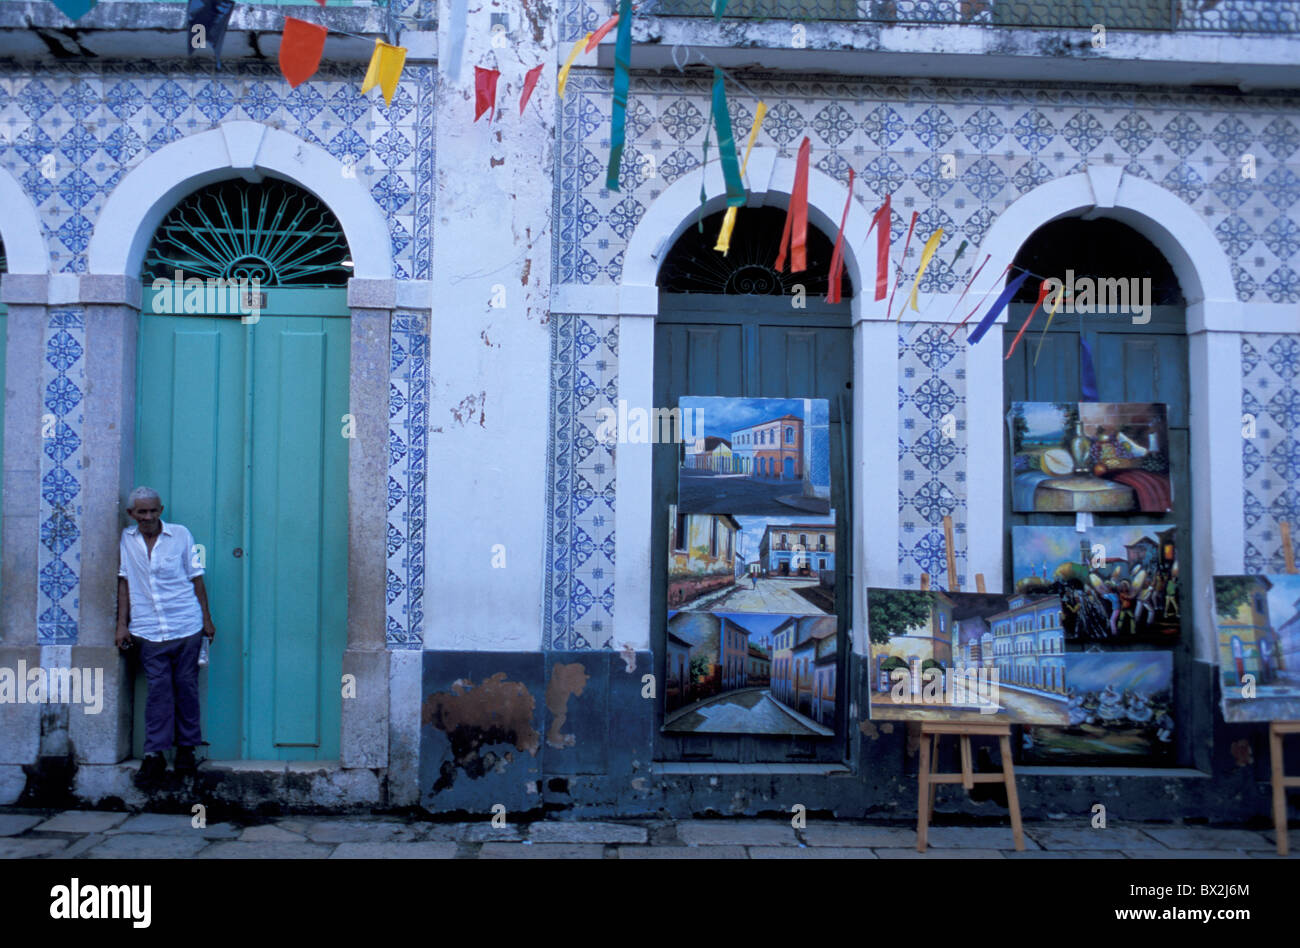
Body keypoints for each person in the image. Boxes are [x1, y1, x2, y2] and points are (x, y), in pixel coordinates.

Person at [115, 487, 215, 784]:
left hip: (186, 625)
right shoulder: (126, 540)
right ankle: (154, 754)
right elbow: (124, 582)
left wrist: (207, 619)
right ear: (131, 514)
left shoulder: (180, 535)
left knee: (186, 688)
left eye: (153, 511)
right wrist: (122, 624)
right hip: (148, 630)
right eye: (141, 512)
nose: (148, 517)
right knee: (158, 692)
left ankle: (186, 750)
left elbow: (196, 578)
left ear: (161, 510)